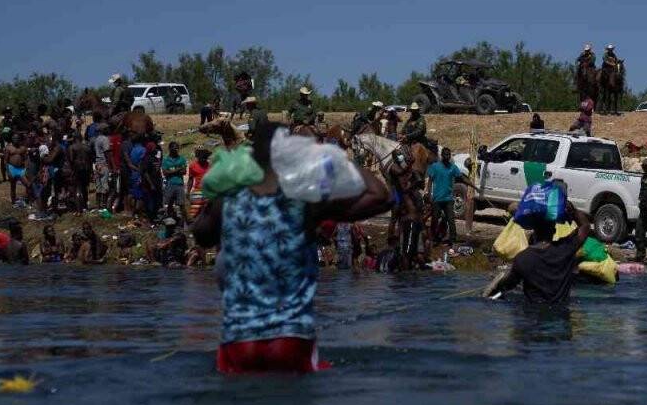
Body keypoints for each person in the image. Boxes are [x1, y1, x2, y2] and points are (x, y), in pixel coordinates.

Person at [192, 122, 393, 374]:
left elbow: (200, 235)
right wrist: (334, 158)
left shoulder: (227, 201)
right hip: (290, 342)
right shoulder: (304, 202)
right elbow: (380, 196)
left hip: (238, 343)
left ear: (252, 156)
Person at [482, 200, 592, 304]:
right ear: (554, 230)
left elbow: (506, 286)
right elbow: (585, 225)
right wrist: (572, 210)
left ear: (533, 228)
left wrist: (496, 284)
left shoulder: (522, 259)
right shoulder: (566, 248)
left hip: (531, 318)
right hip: (561, 317)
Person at [426, 147, 476, 245]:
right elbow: (430, 180)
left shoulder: (453, 167)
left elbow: (462, 178)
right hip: (437, 198)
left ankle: (453, 239)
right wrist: (428, 194)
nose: (447, 157)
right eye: (445, 155)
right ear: (442, 156)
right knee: (435, 219)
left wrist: (473, 186)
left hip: (448, 198)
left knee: (451, 220)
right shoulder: (435, 166)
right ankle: (434, 238)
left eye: (449, 155)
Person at [68, 131, 94, 212]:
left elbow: (71, 159)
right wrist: (91, 171)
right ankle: (85, 205)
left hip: (76, 169)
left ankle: (79, 208)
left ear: (75, 138)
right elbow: (90, 160)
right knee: (84, 188)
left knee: (77, 188)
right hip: (86, 169)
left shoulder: (72, 147)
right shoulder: (87, 147)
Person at [4, 136, 30, 207]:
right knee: (13, 186)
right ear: (12, 139)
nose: (16, 140)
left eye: (17, 138)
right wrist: (8, 171)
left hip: (21, 169)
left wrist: (26, 168)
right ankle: (13, 201)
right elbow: (6, 161)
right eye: (14, 138)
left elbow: (26, 159)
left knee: (27, 184)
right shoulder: (8, 147)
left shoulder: (23, 148)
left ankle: (27, 199)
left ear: (19, 140)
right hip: (11, 168)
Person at [187, 147, 212, 218]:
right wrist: (188, 192)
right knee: (195, 212)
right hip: (198, 191)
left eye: (205, 158)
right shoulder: (192, 166)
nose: (204, 159)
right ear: (198, 157)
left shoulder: (210, 165)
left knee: (208, 212)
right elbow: (190, 179)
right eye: (202, 158)